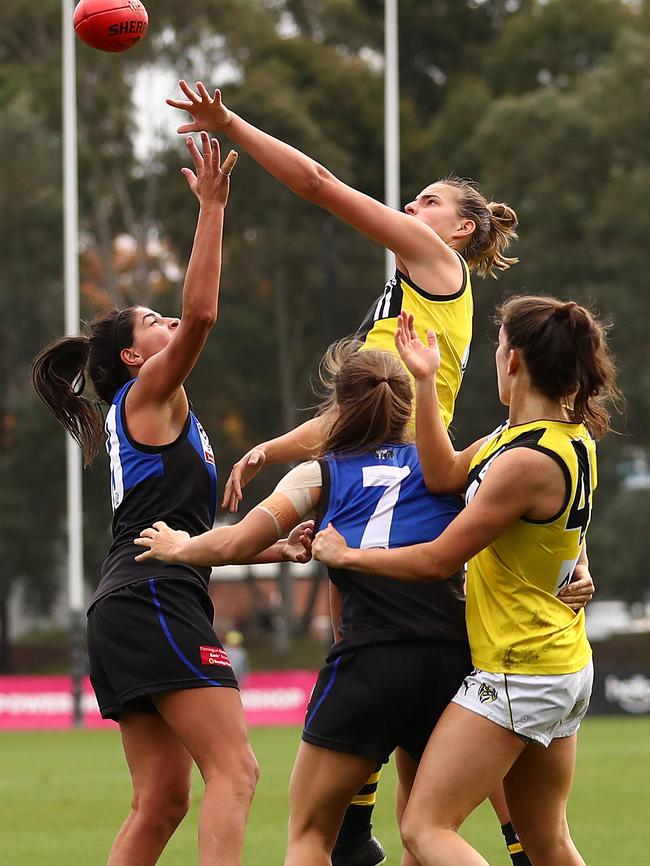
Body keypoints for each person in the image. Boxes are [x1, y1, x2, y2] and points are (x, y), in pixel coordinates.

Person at [165, 79, 519, 866]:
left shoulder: (432, 261)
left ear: (460, 230)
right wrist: (269, 450)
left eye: (428, 201)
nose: (413, 207)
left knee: (361, 655)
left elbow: (319, 186)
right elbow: (356, 410)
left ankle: (423, 835)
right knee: (415, 760)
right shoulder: (401, 299)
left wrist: (232, 125)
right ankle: (385, 832)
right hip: (382, 466)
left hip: (394, 472)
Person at [133, 342, 593, 866]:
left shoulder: (321, 474)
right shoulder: (457, 466)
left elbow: (237, 541)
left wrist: (179, 547)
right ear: (409, 408)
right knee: (423, 833)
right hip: (452, 667)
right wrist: (578, 566)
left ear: (337, 409)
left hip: (368, 667)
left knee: (310, 835)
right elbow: (549, 512)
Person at [311, 300, 620, 866]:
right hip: (560, 660)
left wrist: (346, 555)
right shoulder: (545, 436)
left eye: (499, 346)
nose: (495, 356)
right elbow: (445, 474)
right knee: (547, 841)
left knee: (425, 828)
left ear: (515, 361)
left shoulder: (525, 460)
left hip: (519, 666)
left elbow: (435, 560)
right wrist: (425, 382)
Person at [31, 134, 259, 866]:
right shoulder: (145, 393)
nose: (169, 322)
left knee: (161, 801)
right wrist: (213, 209)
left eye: (161, 315)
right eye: (151, 322)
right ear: (133, 358)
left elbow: (190, 526)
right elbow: (203, 318)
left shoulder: (171, 413)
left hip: (134, 601)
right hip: (152, 596)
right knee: (237, 771)